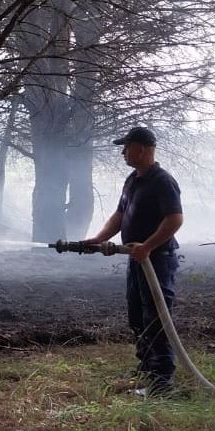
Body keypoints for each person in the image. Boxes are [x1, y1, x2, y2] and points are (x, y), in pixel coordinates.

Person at [81, 126, 184, 396]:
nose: (123, 152)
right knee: (138, 316)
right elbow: (119, 214)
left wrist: (148, 247)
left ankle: (162, 384)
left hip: (157, 261)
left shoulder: (162, 181)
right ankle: (148, 371)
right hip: (137, 260)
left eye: (126, 147)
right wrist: (99, 238)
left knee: (156, 318)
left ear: (142, 149)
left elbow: (175, 219)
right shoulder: (132, 180)